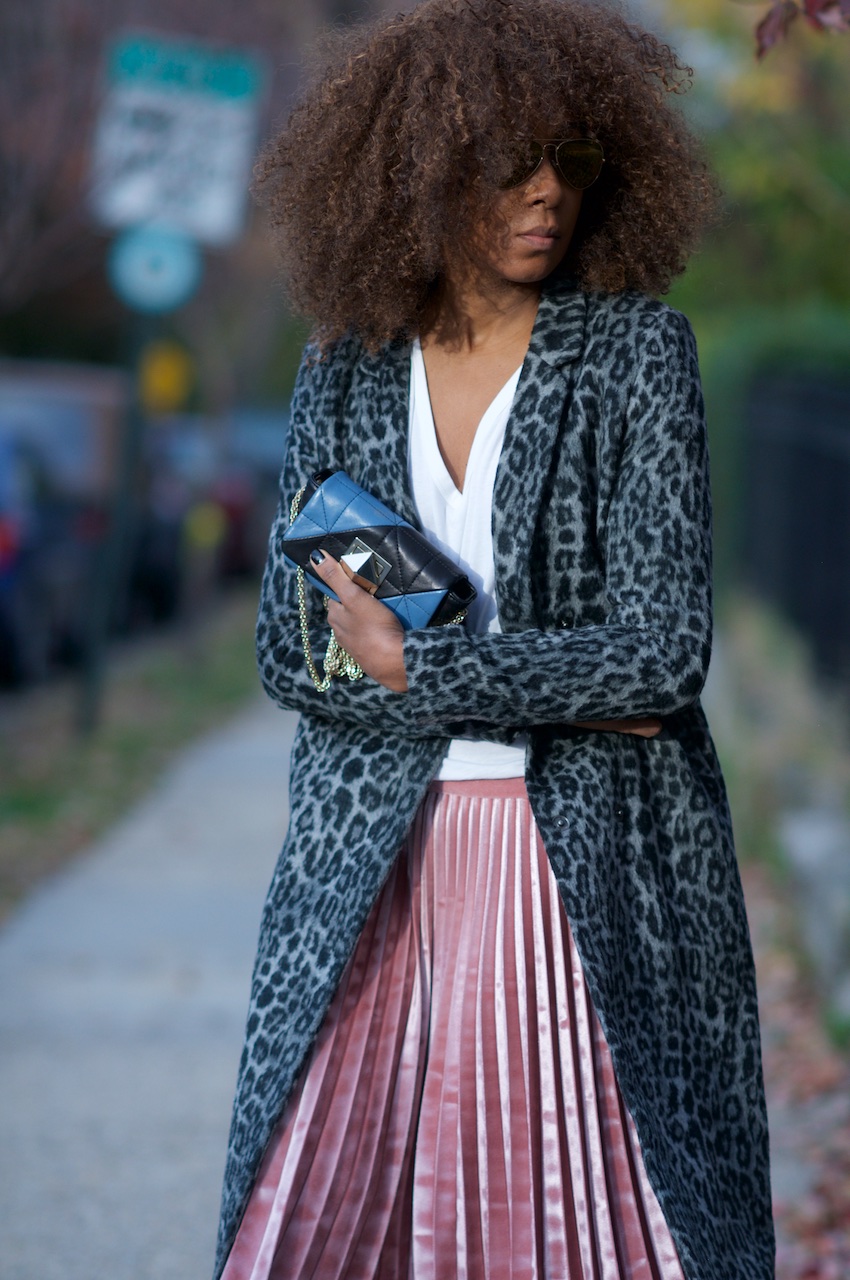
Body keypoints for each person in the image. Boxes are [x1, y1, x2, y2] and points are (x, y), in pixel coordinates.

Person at [213, 2, 775, 1277]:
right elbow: (286, 653)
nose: (545, 196)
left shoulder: (636, 357)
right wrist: (552, 675)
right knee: (320, 1222)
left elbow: (658, 659)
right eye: (508, 161)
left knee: (599, 1224)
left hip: (593, 857)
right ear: (421, 170)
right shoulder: (344, 372)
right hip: (373, 863)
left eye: (571, 162)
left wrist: (428, 668)